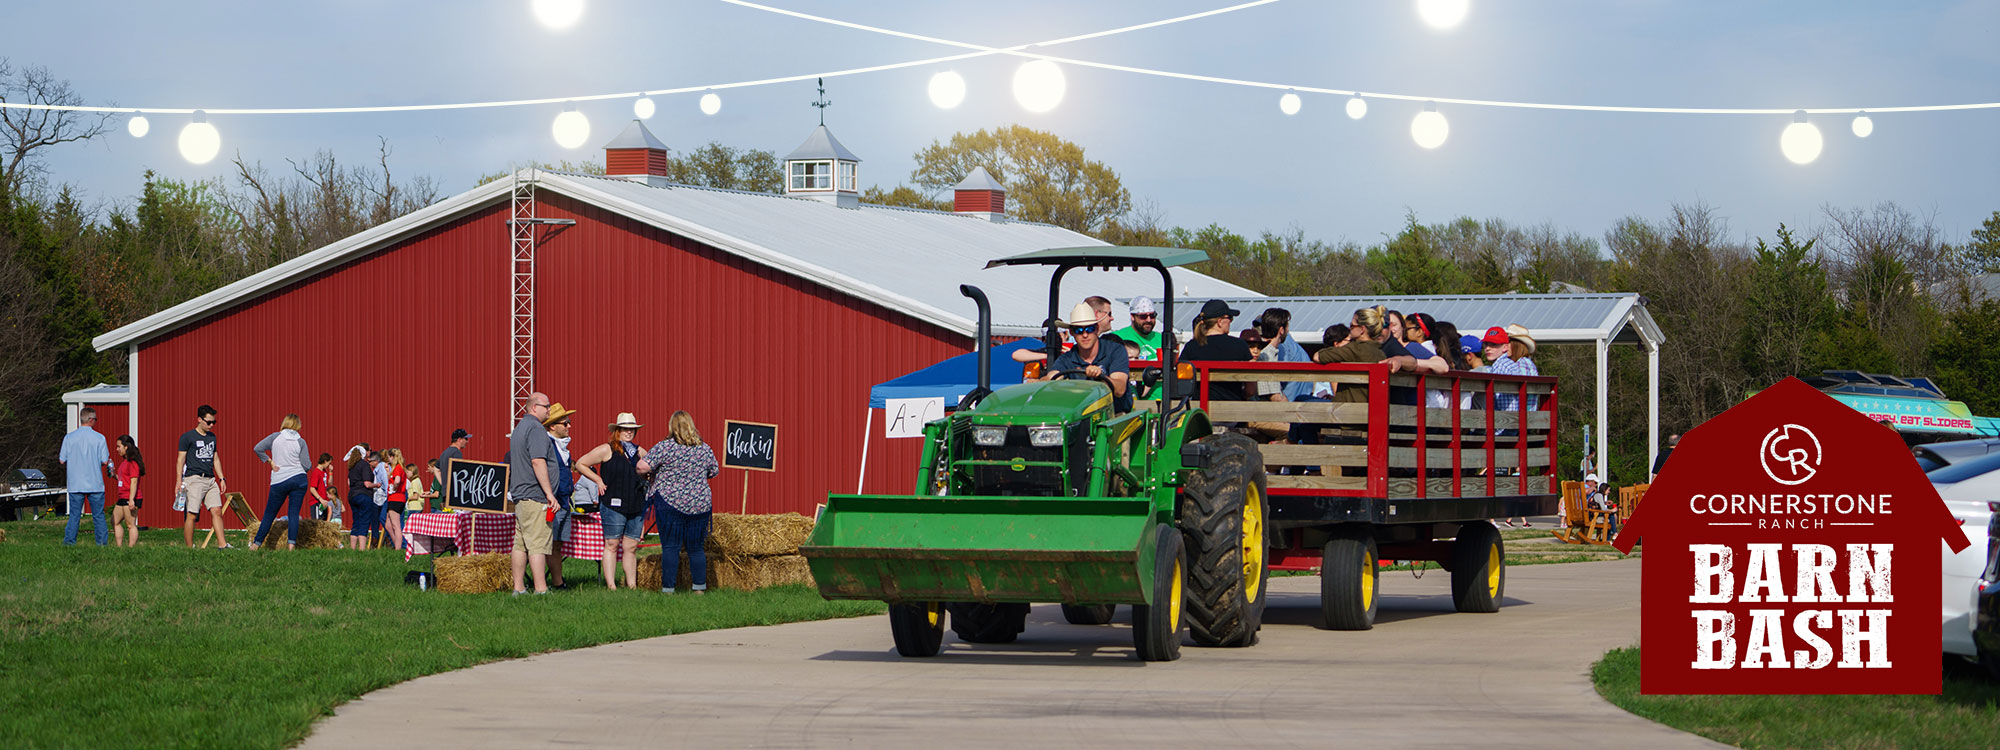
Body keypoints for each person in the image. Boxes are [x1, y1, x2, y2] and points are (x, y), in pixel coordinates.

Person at [574, 413, 652, 590]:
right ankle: (611, 585)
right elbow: (581, 464)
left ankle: (632, 585)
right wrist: (598, 480)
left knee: (631, 546)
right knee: (612, 544)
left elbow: (650, 472)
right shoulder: (606, 450)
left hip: (636, 504)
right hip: (613, 505)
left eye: (632, 429)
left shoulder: (640, 452)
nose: (629, 432)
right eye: (625, 429)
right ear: (617, 431)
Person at [646, 410, 720, 594]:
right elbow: (714, 471)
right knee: (696, 548)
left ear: (672, 427)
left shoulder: (665, 447)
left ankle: (669, 589)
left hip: (671, 503)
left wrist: (652, 474)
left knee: (671, 547)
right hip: (699, 505)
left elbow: (642, 466)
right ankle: (699, 588)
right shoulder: (704, 448)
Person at [508, 393, 559, 595]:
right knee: (538, 543)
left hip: (521, 495)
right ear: (534, 407)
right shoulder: (536, 429)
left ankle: (519, 588)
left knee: (520, 543)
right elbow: (538, 461)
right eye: (547, 406)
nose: (549, 410)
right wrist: (549, 493)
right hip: (535, 494)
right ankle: (541, 589)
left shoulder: (519, 428)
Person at [1043, 301, 1132, 412]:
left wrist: (1101, 377)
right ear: (1072, 332)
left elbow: (1120, 389)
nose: (1085, 335)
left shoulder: (1115, 350)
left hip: (1114, 416)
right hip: (1081, 417)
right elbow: (1052, 378)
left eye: (1089, 329)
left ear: (1097, 329)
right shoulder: (1066, 358)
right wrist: (1037, 382)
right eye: (1079, 330)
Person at [250, 414, 312, 551]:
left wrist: (270, 461)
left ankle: (256, 544)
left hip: (280, 479)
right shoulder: (301, 441)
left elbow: (257, 448)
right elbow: (307, 465)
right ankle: (291, 546)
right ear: (297, 426)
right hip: (299, 478)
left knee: (269, 514)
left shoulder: (275, 437)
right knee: (294, 514)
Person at [176, 405, 231, 549]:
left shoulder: (212, 437)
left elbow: (215, 458)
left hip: (210, 479)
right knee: (192, 514)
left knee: (217, 511)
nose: (211, 425)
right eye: (209, 422)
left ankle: (222, 545)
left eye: (214, 422)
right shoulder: (187, 437)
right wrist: (178, 481)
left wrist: (222, 478)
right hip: (194, 479)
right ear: (199, 420)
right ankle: (189, 547)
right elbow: (180, 460)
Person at [1178, 299, 1253, 401]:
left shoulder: (1191, 346)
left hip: (1200, 409)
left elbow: (1182, 382)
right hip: (1233, 408)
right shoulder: (1240, 345)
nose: (1231, 321)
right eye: (1229, 317)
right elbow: (1250, 390)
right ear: (1220, 322)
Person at [59, 407, 113, 547]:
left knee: (75, 516)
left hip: (76, 483)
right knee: (98, 516)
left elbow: (62, 460)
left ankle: (69, 542)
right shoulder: (100, 438)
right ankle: (101, 544)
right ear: (90, 420)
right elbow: (105, 460)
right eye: (95, 419)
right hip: (95, 483)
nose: (96, 421)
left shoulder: (69, 438)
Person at [1312, 306, 1390, 402]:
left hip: (1348, 409)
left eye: (1352, 326)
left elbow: (1318, 357)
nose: (1349, 329)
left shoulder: (1354, 349)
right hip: (1370, 408)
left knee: (1302, 399)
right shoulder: (1380, 353)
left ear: (1362, 329)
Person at [543, 412, 576, 590]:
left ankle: (558, 582)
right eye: (565, 423)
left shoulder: (564, 448)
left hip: (564, 501)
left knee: (557, 544)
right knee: (546, 543)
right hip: (552, 502)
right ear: (552, 426)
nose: (569, 426)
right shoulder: (547, 445)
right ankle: (542, 582)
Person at [1107, 295, 1163, 360]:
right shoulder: (1117, 338)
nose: (1149, 320)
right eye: (1143, 316)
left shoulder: (1161, 339)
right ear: (1132, 317)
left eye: (1152, 315)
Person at [113, 435, 144, 547]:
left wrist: (131, 500)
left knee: (130, 524)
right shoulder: (124, 463)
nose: (117, 449)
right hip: (122, 496)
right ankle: (119, 546)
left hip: (131, 497)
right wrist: (114, 475)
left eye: (119, 446)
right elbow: (124, 479)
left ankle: (131, 548)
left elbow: (134, 482)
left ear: (126, 447)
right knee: (115, 521)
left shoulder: (133, 463)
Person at [345, 444, 377, 550]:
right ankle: (362, 549)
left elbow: (349, 483)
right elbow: (367, 484)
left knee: (356, 521)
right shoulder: (364, 465)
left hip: (352, 496)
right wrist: (377, 485)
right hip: (363, 495)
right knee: (364, 521)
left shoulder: (351, 466)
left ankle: (353, 548)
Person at [378, 449, 406, 551]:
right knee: (388, 525)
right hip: (394, 499)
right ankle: (396, 545)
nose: (388, 459)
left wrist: (394, 488)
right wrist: (388, 472)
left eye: (389, 457)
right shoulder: (396, 469)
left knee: (395, 525)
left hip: (396, 498)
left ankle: (398, 548)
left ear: (393, 457)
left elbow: (397, 480)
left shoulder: (398, 468)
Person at [307, 452, 340, 529]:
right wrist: (320, 499)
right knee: (317, 524)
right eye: (329, 463)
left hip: (324, 502)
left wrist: (331, 472)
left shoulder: (324, 472)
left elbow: (330, 483)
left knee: (323, 524)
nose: (330, 465)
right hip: (317, 502)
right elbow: (312, 488)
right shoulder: (316, 472)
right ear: (325, 461)